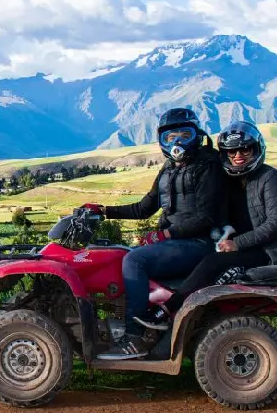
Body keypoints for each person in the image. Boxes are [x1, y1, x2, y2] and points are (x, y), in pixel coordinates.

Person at [82, 107, 227, 360]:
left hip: (198, 243)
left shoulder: (208, 166)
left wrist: (165, 235)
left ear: (198, 135)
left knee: (134, 260)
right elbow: (144, 208)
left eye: (185, 134)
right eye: (170, 137)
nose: (177, 142)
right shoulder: (169, 170)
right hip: (178, 242)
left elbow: (207, 217)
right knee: (119, 254)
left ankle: (134, 337)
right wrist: (103, 211)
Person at [139, 120, 277, 330]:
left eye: (245, 149)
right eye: (231, 151)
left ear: (256, 149)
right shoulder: (229, 181)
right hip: (247, 246)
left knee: (212, 263)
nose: (238, 155)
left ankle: (166, 311)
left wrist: (237, 243)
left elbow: (276, 224)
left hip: (273, 251)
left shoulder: (271, 178)